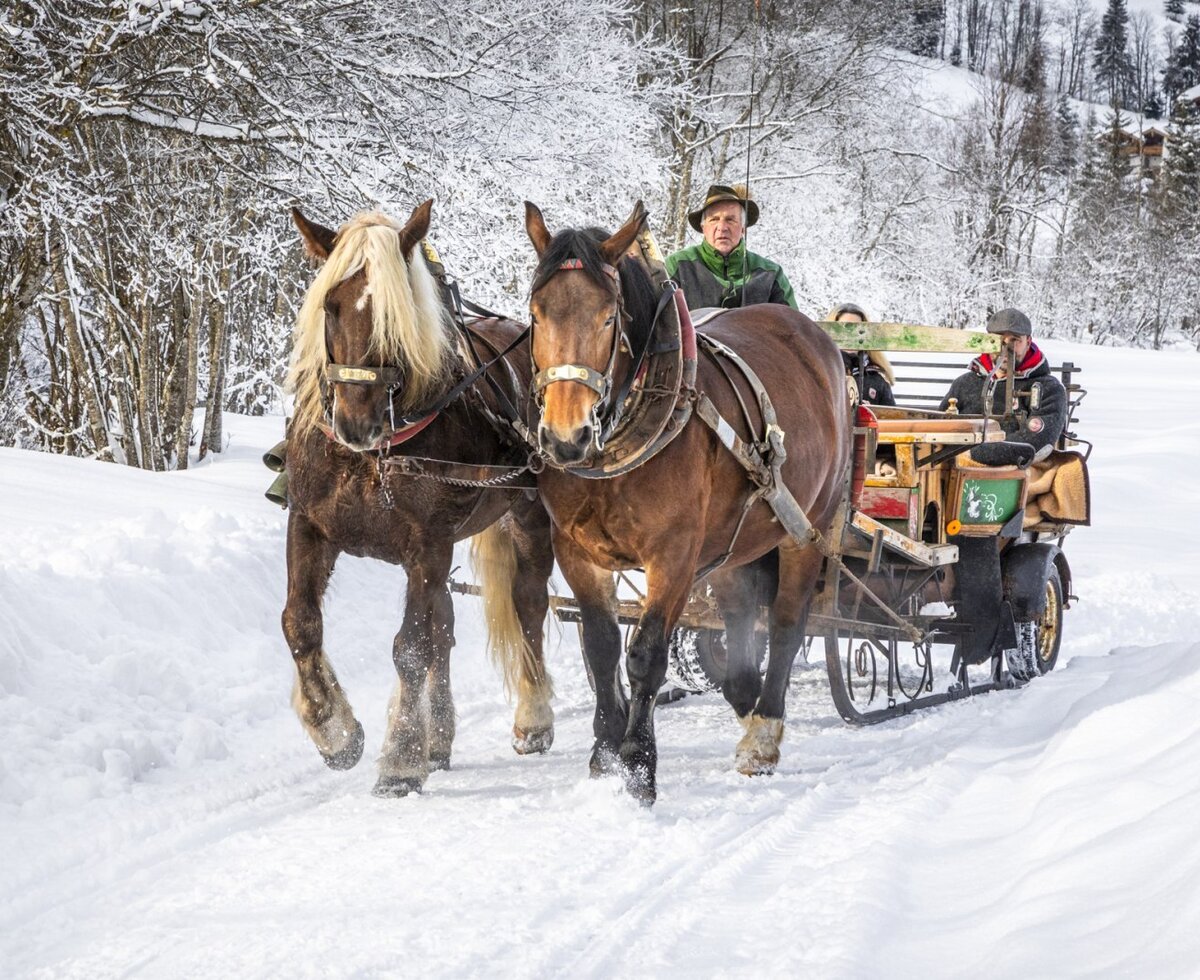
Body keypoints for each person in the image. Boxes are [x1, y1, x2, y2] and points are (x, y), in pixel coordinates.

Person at [939, 308, 1066, 453]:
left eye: (1015, 340)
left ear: (1028, 342)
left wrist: (972, 454)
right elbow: (940, 427)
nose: (1005, 349)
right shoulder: (964, 383)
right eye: (998, 340)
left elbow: (1034, 442)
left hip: (1014, 470)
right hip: (955, 469)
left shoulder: (1048, 389)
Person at [665, 184, 797, 310]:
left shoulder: (770, 274)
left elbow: (793, 326)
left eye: (730, 220)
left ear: (743, 229)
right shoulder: (677, 266)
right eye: (714, 219)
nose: (722, 228)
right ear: (703, 227)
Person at [829, 302, 896, 406]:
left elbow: (891, 418)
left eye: (857, 330)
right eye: (844, 329)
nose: (851, 336)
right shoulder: (822, 372)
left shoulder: (876, 378)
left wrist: (873, 413)